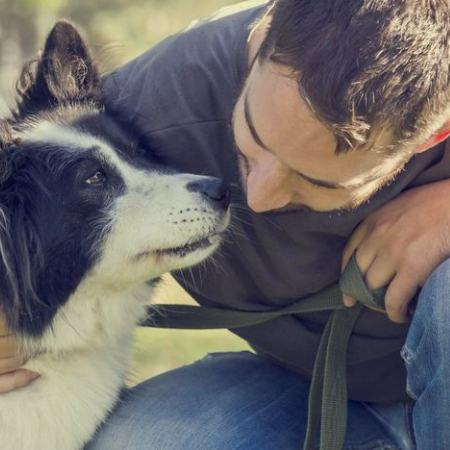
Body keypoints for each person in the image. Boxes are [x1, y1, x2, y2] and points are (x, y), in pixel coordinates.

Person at [2, 0, 450, 448]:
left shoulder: (428, 85)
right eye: (253, 143)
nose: (256, 198)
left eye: (313, 181)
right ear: (260, 39)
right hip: (300, 389)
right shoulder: (147, 103)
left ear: (434, 133)